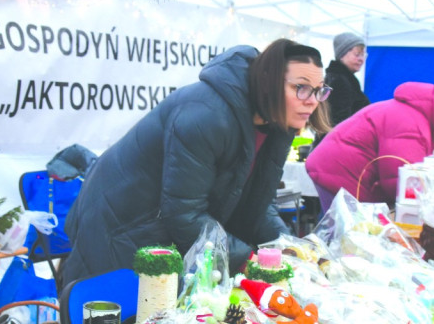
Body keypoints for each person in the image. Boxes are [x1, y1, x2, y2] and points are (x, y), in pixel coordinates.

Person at [60, 39, 331, 286]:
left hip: (160, 230)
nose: (312, 102)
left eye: (319, 91)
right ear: (268, 81)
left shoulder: (278, 122)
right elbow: (184, 213)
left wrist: (287, 249)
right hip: (120, 224)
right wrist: (249, 261)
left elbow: (260, 204)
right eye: (301, 88)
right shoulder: (207, 115)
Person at [305, 81, 434, 211]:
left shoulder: (416, 118)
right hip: (339, 173)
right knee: (341, 239)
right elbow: (398, 181)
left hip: (339, 170)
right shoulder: (412, 123)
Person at [324, 32, 370, 128]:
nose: (361, 59)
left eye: (363, 55)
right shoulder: (339, 81)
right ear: (342, 55)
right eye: (357, 54)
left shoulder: (345, 78)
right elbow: (339, 121)